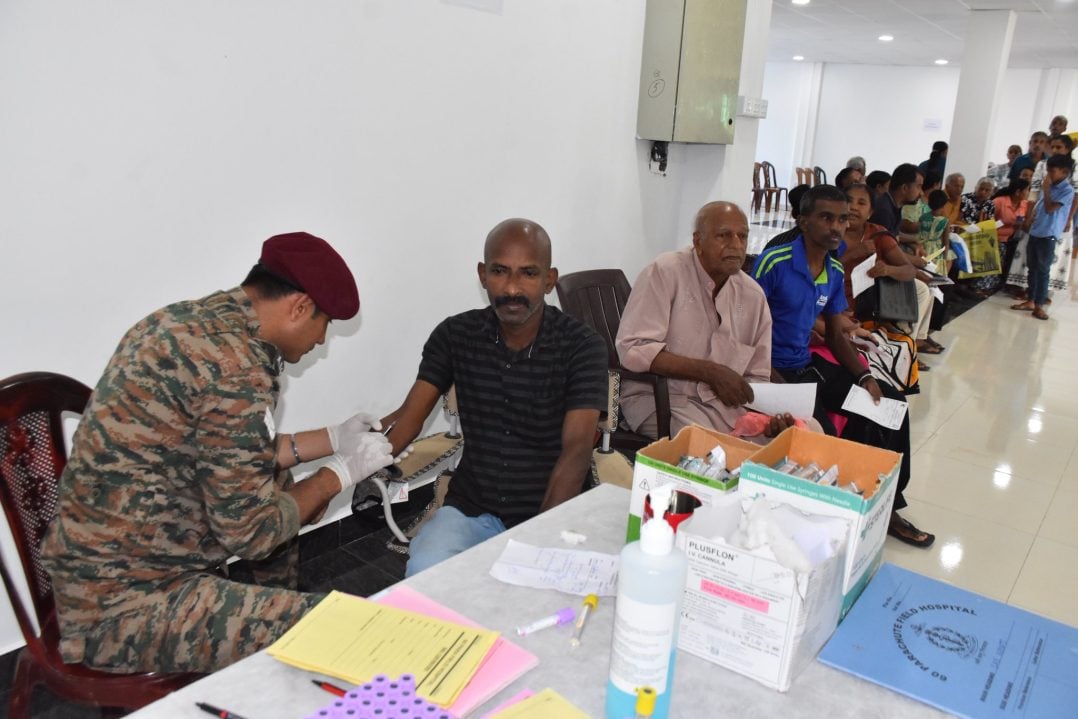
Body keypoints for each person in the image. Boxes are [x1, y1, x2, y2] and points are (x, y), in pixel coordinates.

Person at [41, 232, 396, 674]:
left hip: (99, 566)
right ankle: (272, 647)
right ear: (300, 308)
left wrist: (332, 437)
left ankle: (267, 620)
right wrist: (338, 475)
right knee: (342, 631)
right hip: (125, 606)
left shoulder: (184, 322)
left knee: (277, 483)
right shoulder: (238, 371)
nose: (321, 341)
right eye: (325, 325)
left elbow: (233, 457)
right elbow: (253, 534)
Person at [386, 219, 608, 577]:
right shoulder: (455, 336)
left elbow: (577, 450)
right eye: (500, 272)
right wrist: (343, 463)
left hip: (553, 510)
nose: (512, 288)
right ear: (482, 274)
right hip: (472, 509)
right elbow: (407, 420)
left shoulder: (581, 346)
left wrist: (536, 541)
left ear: (550, 279)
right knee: (425, 573)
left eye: (528, 274)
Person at [752, 185, 933, 548]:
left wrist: (865, 377)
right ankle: (836, 508)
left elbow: (836, 335)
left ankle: (884, 503)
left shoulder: (833, 269)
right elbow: (746, 326)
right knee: (823, 433)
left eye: (843, 219)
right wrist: (772, 381)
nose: (837, 227)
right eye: (826, 217)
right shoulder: (775, 261)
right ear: (802, 221)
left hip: (804, 367)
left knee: (889, 406)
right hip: (770, 372)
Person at [616, 201, 794, 440]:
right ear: (698, 241)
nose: (736, 245)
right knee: (712, 450)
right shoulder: (665, 272)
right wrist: (709, 372)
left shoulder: (752, 295)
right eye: (724, 235)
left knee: (798, 437)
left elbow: (757, 375)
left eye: (743, 236)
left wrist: (767, 416)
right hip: (663, 399)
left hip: (726, 408)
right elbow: (633, 348)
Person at [1011, 155, 1077, 320]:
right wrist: (1030, 219)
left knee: (1042, 270)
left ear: (1065, 172)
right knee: (1032, 268)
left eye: (1052, 171)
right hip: (1036, 231)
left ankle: (1039, 305)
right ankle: (1031, 300)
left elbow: (1050, 208)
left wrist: (1046, 189)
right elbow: (1040, 207)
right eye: (1047, 170)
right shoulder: (1050, 185)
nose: (1048, 174)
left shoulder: (1066, 190)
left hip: (1048, 235)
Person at [992, 178, 1031, 291]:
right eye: (1027, 190)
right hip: (998, 237)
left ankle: (1012, 283)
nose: (1028, 193)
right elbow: (987, 223)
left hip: (1016, 237)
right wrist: (1006, 223)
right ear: (1018, 192)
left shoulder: (1025, 204)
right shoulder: (999, 202)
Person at [871, 163, 923, 235]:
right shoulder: (884, 212)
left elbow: (895, 236)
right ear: (904, 188)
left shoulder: (893, 206)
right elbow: (885, 244)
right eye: (919, 187)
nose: (921, 193)